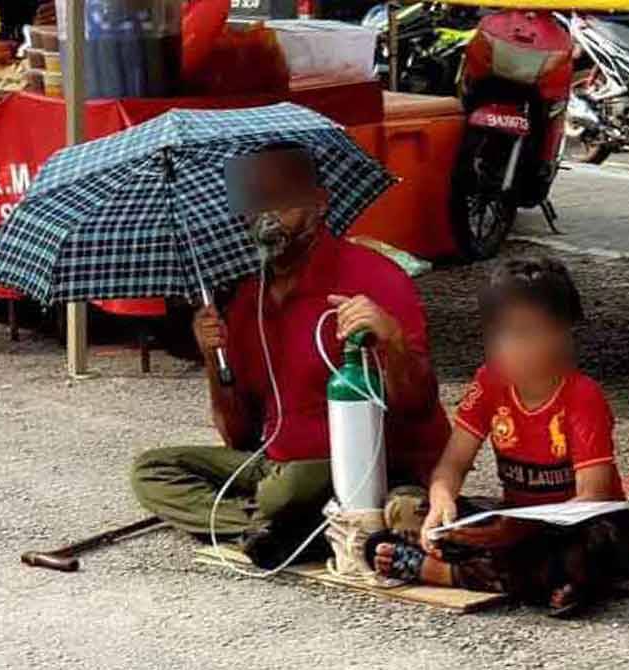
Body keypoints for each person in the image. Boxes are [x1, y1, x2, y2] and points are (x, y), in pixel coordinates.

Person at [130, 144, 451, 567]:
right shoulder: (249, 298)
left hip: (369, 465)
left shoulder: (373, 276)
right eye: (256, 202)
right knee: (152, 471)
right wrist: (213, 359)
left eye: (281, 201)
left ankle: (287, 523)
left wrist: (391, 341)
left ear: (319, 203)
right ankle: (276, 531)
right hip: (276, 467)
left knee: (288, 487)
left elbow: (419, 407)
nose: (267, 217)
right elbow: (239, 438)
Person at [367, 256, 629, 615]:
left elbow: (593, 495)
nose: (509, 346)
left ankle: (444, 572)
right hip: (513, 518)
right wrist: (442, 504)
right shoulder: (490, 382)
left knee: (583, 553)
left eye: (525, 333)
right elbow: (452, 465)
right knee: (405, 505)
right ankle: (535, 582)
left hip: (578, 526)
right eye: (500, 334)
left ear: (562, 334)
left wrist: (517, 530)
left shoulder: (582, 397)